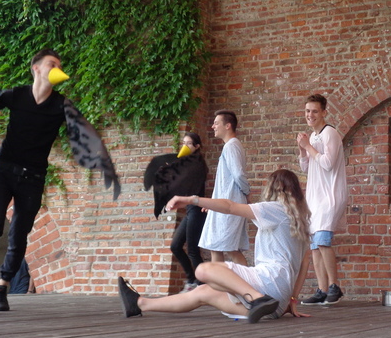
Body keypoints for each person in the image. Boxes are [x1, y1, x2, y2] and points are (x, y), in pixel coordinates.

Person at [0, 49, 119, 312]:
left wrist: (102, 162)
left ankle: (2, 286)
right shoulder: (16, 95)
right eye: (52, 64)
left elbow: (84, 132)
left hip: (33, 177)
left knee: (19, 232)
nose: (57, 68)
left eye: (59, 65)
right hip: (3, 170)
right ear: (36, 68)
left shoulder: (61, 104)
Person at [118, 169, 311, 324]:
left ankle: (256, 298)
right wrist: (292, 300)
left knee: (204, 270)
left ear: (272, 189)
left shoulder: (274, 209)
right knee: (202, 293)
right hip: (279, 303)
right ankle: (140, 303)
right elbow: (304, 265)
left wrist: (192, 200)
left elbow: (230, 206)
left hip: (267, 289)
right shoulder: (300, 222)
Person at [297, 94, 349, 305]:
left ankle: (335, 286)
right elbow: (306, 167)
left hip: (330, 195)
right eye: (307, 111)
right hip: (315, 198)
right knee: (315, 246)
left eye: (315, 111)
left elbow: (328, 163)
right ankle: (322, 289)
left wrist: (308, 146)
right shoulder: (313, 136)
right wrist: (303, 149)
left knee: (323, 241)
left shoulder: (330, 133)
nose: (310, 115)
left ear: (324, 112)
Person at [197, 110, 250, 265]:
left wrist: (247, 192)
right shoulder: (231, 146)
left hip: (229, 204)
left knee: (231, 249)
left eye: (216, 123)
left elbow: (238, 174)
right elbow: (225, 181)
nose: (213, 126)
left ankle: (246, 279)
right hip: (224, 203)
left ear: (228, 126)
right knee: (216, 246)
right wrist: (213, 203)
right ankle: (220, 280)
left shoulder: (231, 146)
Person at [169, 133, 209, 291]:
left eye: (189, 143)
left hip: (197, 210)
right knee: (175, 246)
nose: (185, 146)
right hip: (190, 210)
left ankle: (202, 284)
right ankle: (192, 280)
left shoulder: (198, 165)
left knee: (193, 250)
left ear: (197, 146)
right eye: (183, 143)